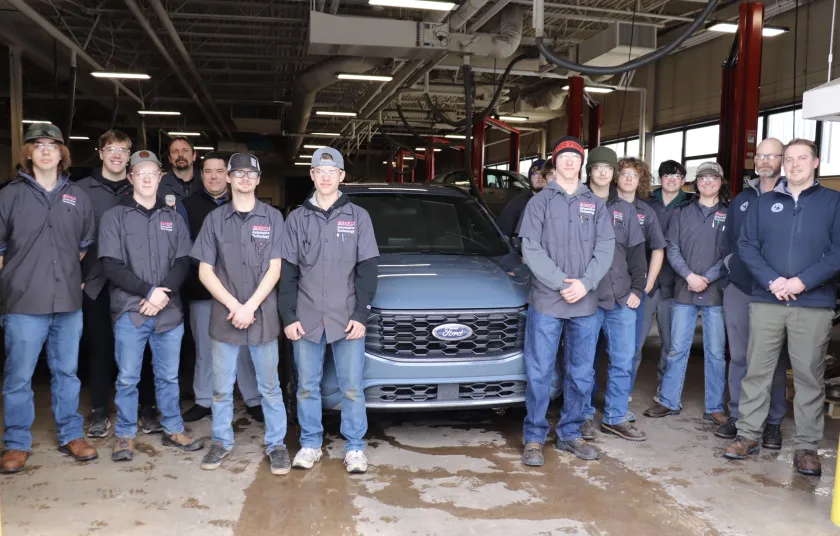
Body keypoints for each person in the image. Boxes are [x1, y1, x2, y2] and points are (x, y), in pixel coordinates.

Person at [725, 139, 840, 477]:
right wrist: (773, 281)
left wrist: (802, 281)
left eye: (802, 158)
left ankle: (806, 446)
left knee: (808, 376)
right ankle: (748, 435)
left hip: (813, 302)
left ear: (816, 162)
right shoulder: (764, 203)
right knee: (757, 369)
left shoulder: (833, 203)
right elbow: (746, 245)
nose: (795, 164)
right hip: (767, 299)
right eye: (789, 159)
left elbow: (838, 252)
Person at [0, 123, 99, 474]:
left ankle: (71, 434)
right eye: (37, 145)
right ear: (28, 153)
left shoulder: (77, 197)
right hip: (24, 303)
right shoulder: (9, 196)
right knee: (19, 376)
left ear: (61, 154)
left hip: (68, 302)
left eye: (52, 145)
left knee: (67, 373)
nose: (45, 151)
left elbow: (83, 247)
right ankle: (15, 442)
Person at [97, 150, 203, 461]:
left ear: (160, 177)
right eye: (139, 172)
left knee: (168, 377)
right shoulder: (114, 217)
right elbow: (111, 264)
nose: (146, 177)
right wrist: (149, 291)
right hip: (131, 311)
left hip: (168, 312)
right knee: (128, 376)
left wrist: (163, 294)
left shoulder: (173, 216)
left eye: (151, 172)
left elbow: (184, 260)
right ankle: (126, 435)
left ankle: (173, 428)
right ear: (130, 178)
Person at [279, 147, 379, 474]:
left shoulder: (358, 217)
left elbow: (367, 269)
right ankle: (310, 444)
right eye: (319, 171)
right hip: (306, 316)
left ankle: (355, 448)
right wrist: (288, 316)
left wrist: (361, 314)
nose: (325, 176)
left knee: (351, 386)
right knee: (307, 385)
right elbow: (288, 271)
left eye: (331, 171)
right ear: (311, 175)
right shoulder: (296, 219)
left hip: (346, 316)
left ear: (341, 176)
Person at [517, 136, 615, 465]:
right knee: (540, 371)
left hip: (584, 301)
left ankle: (570, 433)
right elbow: (530, 248)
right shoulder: (540, 202)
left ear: (581, 163)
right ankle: (534, 437)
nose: (570, 162)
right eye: (564, 157)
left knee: (581, 372)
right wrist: (561, 283)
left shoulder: (595, 204)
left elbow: (605, 249)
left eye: (575, 157)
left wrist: (585, 284)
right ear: (555, 163)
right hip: (547, 299)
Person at [191, 153, 289, 475]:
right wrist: (236, 307)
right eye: (239, 173)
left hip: (262, 317)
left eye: (251, 173)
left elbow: (275, 269)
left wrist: (250, 307)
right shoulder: (214, 221)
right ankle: (220, 442)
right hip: (226, 318)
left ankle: (277, 445)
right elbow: (205, 271)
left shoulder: (273, 218)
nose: (245, 178)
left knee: (270, 387)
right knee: (221, 387)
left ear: (259, 180)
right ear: (229, 179)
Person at [78, 130, 159, 438]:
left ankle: (146, 408)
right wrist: (77, 279)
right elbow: (68, 239)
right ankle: (99, 410)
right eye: (110, 149)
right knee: (100, 348)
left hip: (133, 284)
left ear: (129, 157)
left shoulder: (138, 188)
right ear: (100, 153)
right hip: (95, 283)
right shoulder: (81, 191)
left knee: (145, 348)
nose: (116, 154)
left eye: (122, 150)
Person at [179, 153, 263, 424]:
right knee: (206, 348)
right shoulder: (186, 206)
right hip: (203, 291)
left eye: (218, 170)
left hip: (243, 295)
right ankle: (204, 399)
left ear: (227, 176)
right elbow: (184, 249)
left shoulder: (242, 203)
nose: (213, 176)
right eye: (208, 171)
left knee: (246, 349)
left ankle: (253, 398)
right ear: (200, 175)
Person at [715, 138, 788, 447]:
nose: (764, 160)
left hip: (775, 292)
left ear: (782, 159)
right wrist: (730, 278)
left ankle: (772, 422)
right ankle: (739, 415)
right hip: (741, 288)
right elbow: (728, 243)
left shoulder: (792, 199)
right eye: (760, 155)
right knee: (741, 356)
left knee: (773, 358)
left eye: (771, 155)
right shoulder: (741, 199)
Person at [644, 162, 728, 426]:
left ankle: (714, 406)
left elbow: (732, 253)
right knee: (677, 348)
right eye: (702, 178)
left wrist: (708, 277)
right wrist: (689, 276)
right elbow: (671, 247)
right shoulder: (683, 213)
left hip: (716, 293)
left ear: (720, 182)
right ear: (695, 182)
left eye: (713, 178)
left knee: (716, 352)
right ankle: (669, 400)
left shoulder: (731, 213)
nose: (707, 182)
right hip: (684, 289)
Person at [581, 147, 648, 442]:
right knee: (582, 361)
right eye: (597, 167)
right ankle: (581, 416)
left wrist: (637, 288)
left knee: (623, 359)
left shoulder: (625, 209)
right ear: (590, 171)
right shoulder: (576, 204)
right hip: (586, 297)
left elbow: (637, 253)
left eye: (608, 168)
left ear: (613, 174)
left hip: (621, 297)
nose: (603, 173)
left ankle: (615, 417)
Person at [639, 160, 694, 400]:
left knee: (671, 342)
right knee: (635, 339)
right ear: (659, 179)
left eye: (677, 176)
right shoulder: (646, 204)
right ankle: (624, 387)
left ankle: (665, 386)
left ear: (683, 180)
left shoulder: (690, 205)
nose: (671, 179)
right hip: (646, 280)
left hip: (675, 283)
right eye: (667, 176)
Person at [615, 158, 667, 394]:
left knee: (632, 347)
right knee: (593, 347)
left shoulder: (647, 212)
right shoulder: (601, 205)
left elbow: (658, 249)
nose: (628, 178)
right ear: (616, 176)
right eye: (624, 173)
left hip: (635, 291)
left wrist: (646, 286)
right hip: (603, 288)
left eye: (634, 175)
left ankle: (622, 395)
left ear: (640, 180)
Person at [497, 159, 547, 238]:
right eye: (535, 174)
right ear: (530, 178)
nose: (540, 177)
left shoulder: (556, 203)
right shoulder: (517, 203)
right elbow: (503, 233)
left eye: (543, 174)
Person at [159, 137, 199, 203]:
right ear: (169, 158)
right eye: (175, 151)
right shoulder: (159, 184)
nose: (180, 155)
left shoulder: (205, 182)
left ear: (194, 156)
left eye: (185, 150)